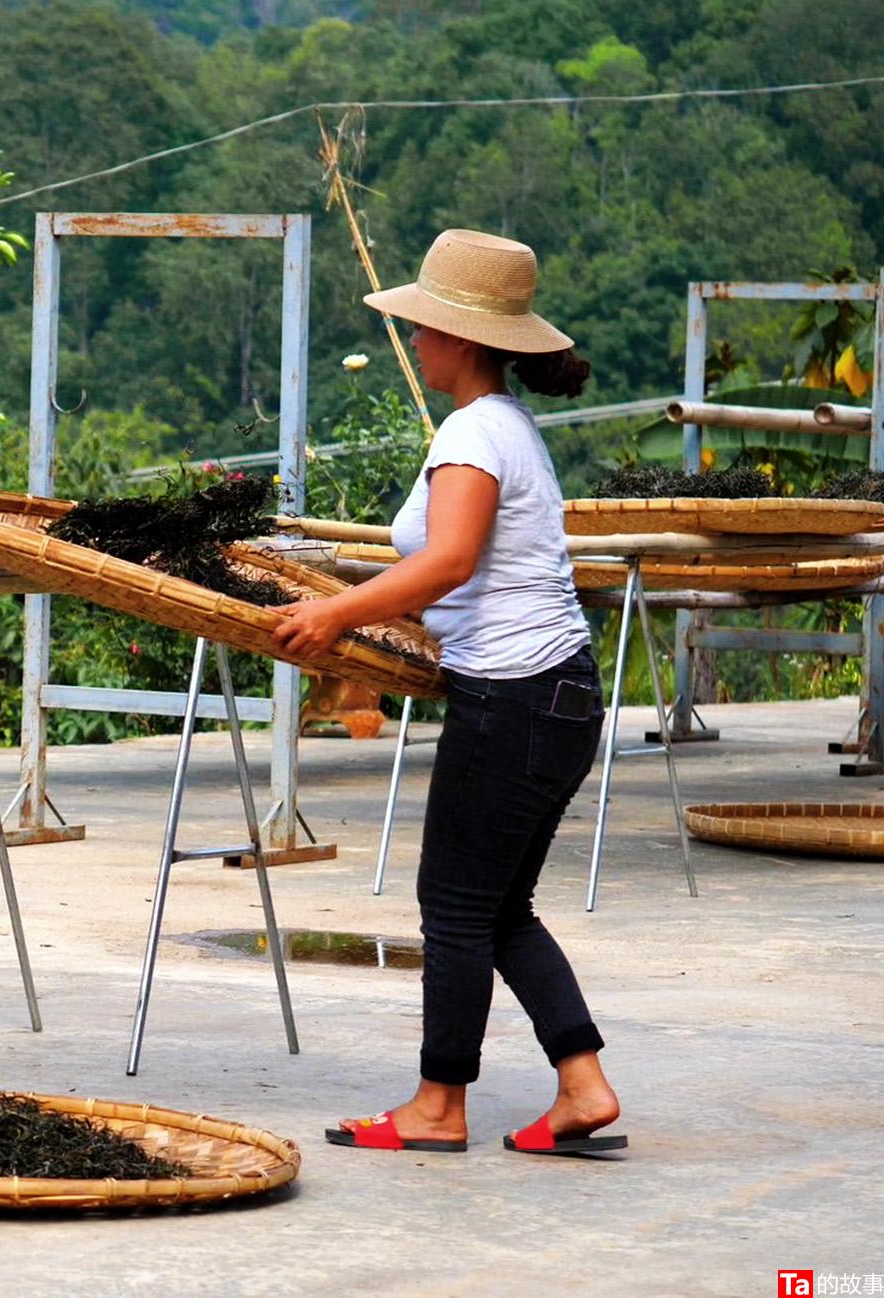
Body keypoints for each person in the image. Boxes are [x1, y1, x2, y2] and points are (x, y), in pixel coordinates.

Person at [271, 228, 626, 1157]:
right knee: (500, 907)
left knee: (458, 909)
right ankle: (582, 1083)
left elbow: (453, 560)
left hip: (513, 700)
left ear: (461, 338)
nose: (417, 344)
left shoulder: (474, 432)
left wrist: (336, 617)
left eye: (425, 329)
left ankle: (438, 1106)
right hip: (555, 696)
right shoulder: (507, 427)